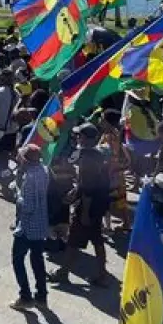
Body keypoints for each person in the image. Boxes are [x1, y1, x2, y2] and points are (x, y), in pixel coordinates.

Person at [49, 122, 112, 286]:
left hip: (88, 206)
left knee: (73, 241)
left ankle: (63, 272)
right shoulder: (97, 155)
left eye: (79, 135)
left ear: (85, 138)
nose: (77, 138)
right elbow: (86, 183)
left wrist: (84, 212)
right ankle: (102, 274)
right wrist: (75, 191)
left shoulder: (87, 160)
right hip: (98, 204)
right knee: (97, 240)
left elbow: (89, 189)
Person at [10, 144, 49, 311]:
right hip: (41, 224)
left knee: (17, 259)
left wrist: (18, 196)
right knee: (37, 259)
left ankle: (25, 296)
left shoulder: (28, 178)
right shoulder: (43, 170)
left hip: (27, 226)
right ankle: (41, 296)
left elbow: (28, 206)